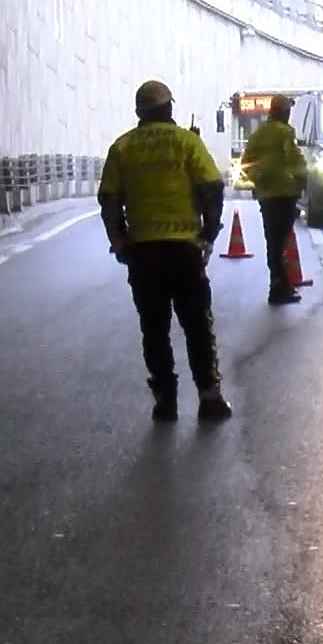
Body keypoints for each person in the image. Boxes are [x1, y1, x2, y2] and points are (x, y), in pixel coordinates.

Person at [98, 79, 233, 423]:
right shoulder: (187, 142)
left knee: (154, 328)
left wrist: (119, 240)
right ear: (170, 107)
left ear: (139, 112)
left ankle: (165, 400)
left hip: (143, 254)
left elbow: (110, 199)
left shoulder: (123, 147)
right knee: (197, 325)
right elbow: (212, 188)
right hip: (185, 251)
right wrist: (208, 235)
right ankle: (209, 396)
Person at [240, 93, 307, 305]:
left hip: (267, 195)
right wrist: (302, 179)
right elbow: (294, 158)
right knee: (281, 243)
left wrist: (259, 179)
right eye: (288, 111)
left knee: (272, 241)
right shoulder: (285, 132)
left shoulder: (258, 134)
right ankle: (279, 288)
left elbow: (246, 162)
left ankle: (279, 285)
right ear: (283, 112)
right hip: (285, 194)